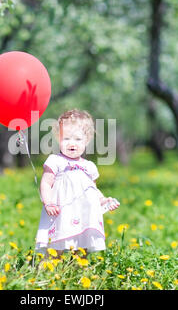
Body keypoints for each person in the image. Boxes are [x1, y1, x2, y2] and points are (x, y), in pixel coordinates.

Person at [35, 109, 120, 257]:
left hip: (82, 213)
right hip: (60, 211)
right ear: (58, 138)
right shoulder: (55, 161)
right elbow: (46, 184)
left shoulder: (89, 166)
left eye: (78, 139)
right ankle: (49, 271)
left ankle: (78, 271)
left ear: (86, 140)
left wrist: (104, 200)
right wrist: (48, 203)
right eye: (66, 138)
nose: (71, 143)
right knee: (55, 246)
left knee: (81, 246)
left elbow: (92, 190)